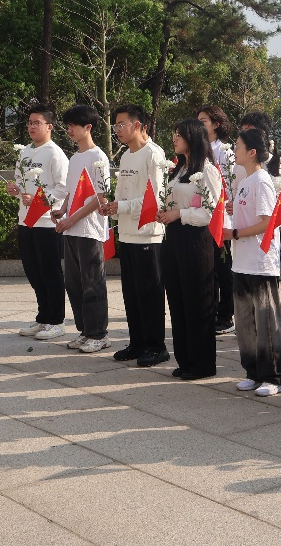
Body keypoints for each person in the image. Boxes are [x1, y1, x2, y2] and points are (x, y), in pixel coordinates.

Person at [102, 104, 169, 367]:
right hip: (128, 233)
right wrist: (114, 207)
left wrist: (123, 206)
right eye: (115, 125)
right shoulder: (126, 156)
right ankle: (137, 343)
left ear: (138, 125)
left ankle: (156, 347)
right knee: (131, 294)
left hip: (148, 235)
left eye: (122, 124)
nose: (117, 130)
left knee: (150, 293)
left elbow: (157, 199)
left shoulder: (154, 154)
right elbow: (123, 193)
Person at [157, 119, 222, 380]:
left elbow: (210, 212)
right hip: (173, 238)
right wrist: (164, 212)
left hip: (195, 240)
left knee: (197, 302)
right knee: (178, 300)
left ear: (193, 138)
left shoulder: (208, 170)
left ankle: (202, 363)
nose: (174, 138)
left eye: (179, 134)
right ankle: (184, 359)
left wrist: (179, 214)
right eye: (174, 134)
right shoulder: (178, 169)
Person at [227, 128, 281, 396]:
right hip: (242, 261)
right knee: (245, 322)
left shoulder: (262, 181)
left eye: (238, 146)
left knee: (266, 323)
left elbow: (266, 223)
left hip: (260, 262)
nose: (234, 150)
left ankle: (275, 376)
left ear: (252, 152)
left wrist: (234, 233)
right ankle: (253, 372)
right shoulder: (246, 180)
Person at [10, 104, 71, 342]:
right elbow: (19, 181)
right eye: (30, 122)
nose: (32, 127)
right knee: (33, 272)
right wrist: (15, 190)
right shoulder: (25, 152)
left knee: (50, 272)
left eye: (37, 122)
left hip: (47, 222)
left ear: (49, 127)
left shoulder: (55, 154)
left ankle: (56, 321)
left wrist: (41, 200)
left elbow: (64, 187)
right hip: (26, 220)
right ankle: (43, 317)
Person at [53, 105, 111, 354]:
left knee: (92, 282)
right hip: (72, 228)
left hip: (90, 230)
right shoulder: (75, 158)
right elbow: (71, 192)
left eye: (73, 126)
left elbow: (100, 198)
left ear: (88, 127)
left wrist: (71, 218)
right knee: (74, 283)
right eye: (68, 126)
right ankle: (85, 330)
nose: (69, 130)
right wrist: (62, 211)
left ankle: (99, 334)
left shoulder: (99, 157)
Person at [198, 105, 236, 336]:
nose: (199, 124)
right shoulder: (199, 149)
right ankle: (209, 313)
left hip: (222, 218)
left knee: (223, 269)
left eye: (204, 121)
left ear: (216, 124)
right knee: (208, 270)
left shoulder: (225, 151)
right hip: (203, 217)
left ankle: (226, 316)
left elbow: (230, 185)